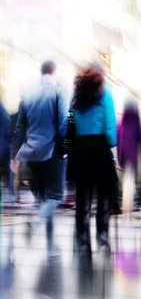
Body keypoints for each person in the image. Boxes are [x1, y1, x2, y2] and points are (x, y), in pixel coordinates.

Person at [12, 60, 67, 254]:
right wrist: (65, 147)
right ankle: (35, 224)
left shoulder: (29, 98)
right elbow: (63, 123)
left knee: (45, 198)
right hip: (52, 151)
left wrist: (15, 156)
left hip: (31, 154)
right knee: (55, 196)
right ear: (54, 71)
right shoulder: (59, 93)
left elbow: (20, 129)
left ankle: (50, 243)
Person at [69, 65, 118, 254]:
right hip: (99, 149)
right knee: (104, 195)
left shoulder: (77, 96)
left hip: (80, 150)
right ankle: (102, 235)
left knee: (83, 197)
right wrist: (111, 144)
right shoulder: (106, 95)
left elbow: (70, 121)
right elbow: (110, 127)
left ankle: (82, 237)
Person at [117, 99, 141, 218]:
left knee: (126, 179)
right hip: (132, 153)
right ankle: (129, 204)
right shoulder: (136, 122)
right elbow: (139, 137)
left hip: (122, 152)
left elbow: (118, 138)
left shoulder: (121, 122)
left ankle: (126, 203)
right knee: (130, 179)